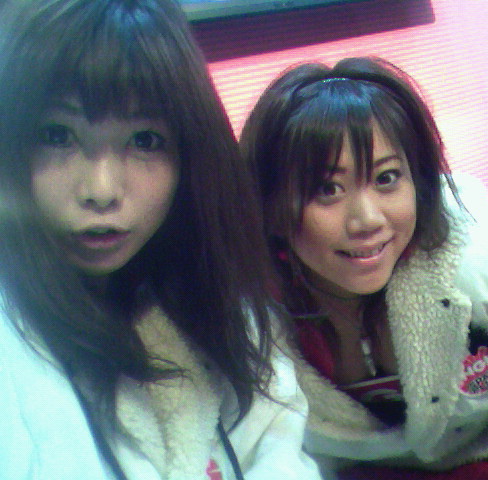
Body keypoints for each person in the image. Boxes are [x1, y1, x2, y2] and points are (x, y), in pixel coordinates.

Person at [240, 56, 488, 479]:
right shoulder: (263, 324)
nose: (367, 220)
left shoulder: (486, 259)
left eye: (386, 178)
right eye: (328, 189)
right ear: (270, 206)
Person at [0, 1, 321, 479]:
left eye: (144, 140)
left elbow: (279, 445)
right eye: (57, 135)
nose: (101, 190)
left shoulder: (221, 301)